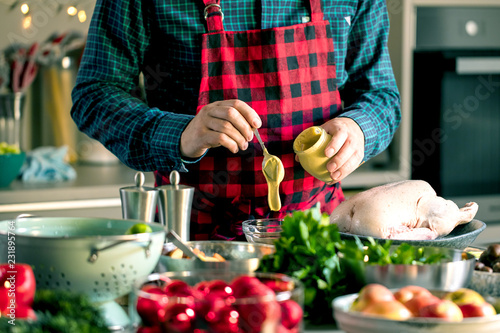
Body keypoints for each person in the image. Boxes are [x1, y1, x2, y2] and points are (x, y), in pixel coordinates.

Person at [71, 0, 401, 241]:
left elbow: (381, 96)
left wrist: (359, 129)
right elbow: (95, 95)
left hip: (319, 237)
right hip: (191, 243)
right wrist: (182, 134)